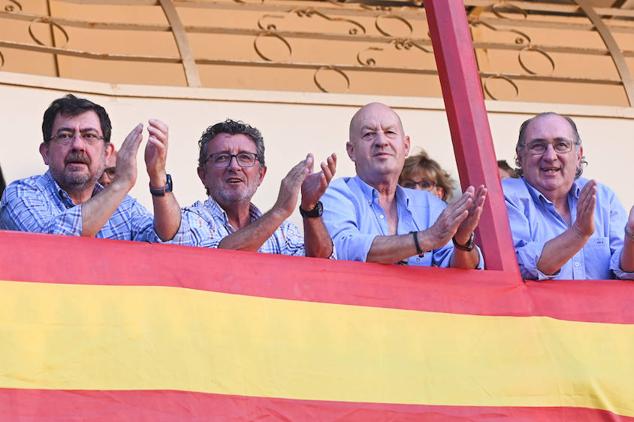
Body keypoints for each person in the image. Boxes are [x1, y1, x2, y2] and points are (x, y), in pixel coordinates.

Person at [0, 94, 193, 243]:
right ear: (46, 152)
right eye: (65, 135)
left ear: (107, 153)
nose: (77, 145)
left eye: (89, 135)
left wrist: (157, 175)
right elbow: (50, 242)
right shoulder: (21, 194)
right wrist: (121, 183)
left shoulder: (125, 207)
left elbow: (174, 242)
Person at [321, 102, 486, 268]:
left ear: (406, 146)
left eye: (390, 132)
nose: (381, 141)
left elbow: (460, 269)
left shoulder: (430, 204)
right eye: (369, 134)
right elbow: (340, 249)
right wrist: (426, 238)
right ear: (351, 151)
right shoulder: (337, 194)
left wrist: (463, 242)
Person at [503, 112, 634, 279]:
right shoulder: (505, 197)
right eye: (538, 146)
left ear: (578, 155)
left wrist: (632, 235)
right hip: (535, 306)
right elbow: (515, 267)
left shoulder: (603, 197)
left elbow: (626, 272)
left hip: (599, 306)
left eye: (561, 145)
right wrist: (578, 233)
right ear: (520, 156)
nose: (550, 156)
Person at [183, 119, 336, 258]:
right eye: (222, 157)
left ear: (261, 175)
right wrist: (280, 210)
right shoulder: (187, 221)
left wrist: (310, 209)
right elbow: (216, 260)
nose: (234, 166)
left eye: (245, 157)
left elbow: (323, 267)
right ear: (203, 175)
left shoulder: (282, 231)